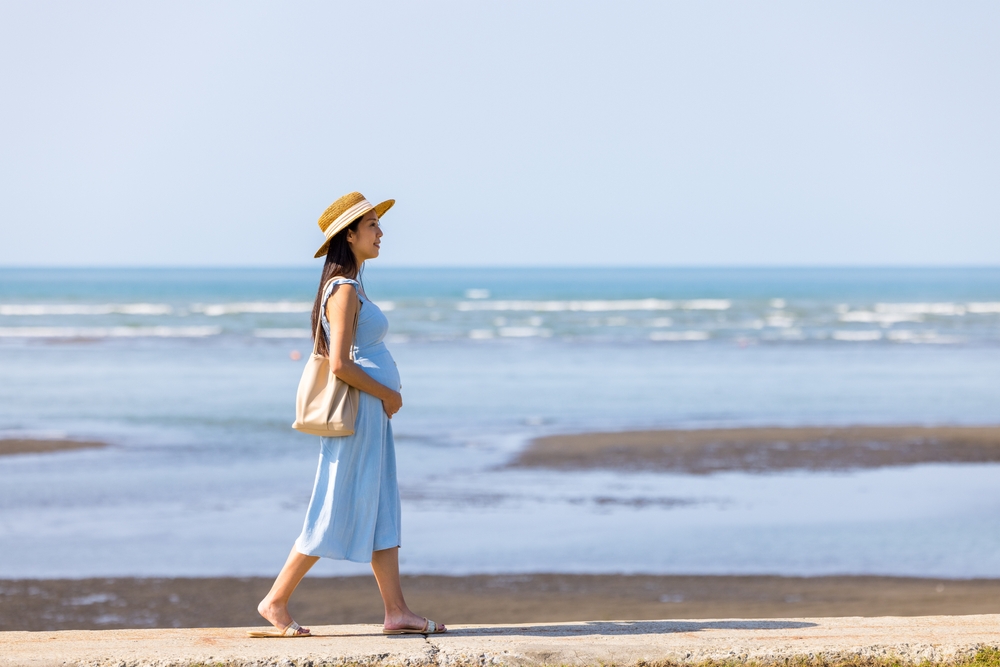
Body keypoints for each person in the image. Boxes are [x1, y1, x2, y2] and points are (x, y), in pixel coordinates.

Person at [251, 192, 446, 638]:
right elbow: (340, 364)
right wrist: (387, 395)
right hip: (361, 413)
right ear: (350, 235)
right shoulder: (343, 290)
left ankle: (396, 611)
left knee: (381, 507)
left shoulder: (350, 287)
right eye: (372, 225)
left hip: (369, 414)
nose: (381, 233)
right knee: (335, 503)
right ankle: (275, 600)